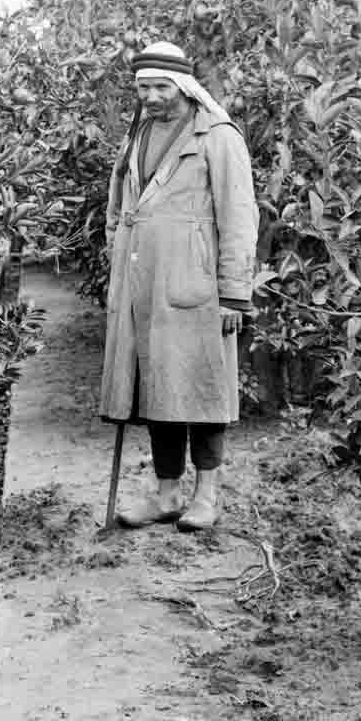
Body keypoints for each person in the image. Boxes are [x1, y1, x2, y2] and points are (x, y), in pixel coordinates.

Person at [100, 41, 258, 531]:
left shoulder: (217, 135)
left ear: (184, 87)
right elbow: (117, 207)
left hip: (198, 287)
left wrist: (234, 292)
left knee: (205, 390)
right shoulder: (138, 134)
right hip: (144, 287)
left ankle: (206, 496)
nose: (150, 96)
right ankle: (167, 494)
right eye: (143, 87)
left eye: (160, 87)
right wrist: (119, 259)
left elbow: (239, 216)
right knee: (158, 390)